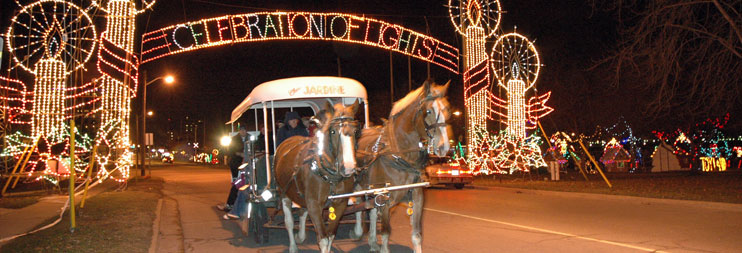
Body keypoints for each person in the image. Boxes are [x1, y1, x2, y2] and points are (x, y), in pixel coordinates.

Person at [216, 126, 248, 213]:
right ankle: (230, 203)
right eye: (241, 130)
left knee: (246, 183)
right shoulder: (234, 139)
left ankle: (240, 202)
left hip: (247, 165)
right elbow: (231, 151)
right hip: (236, 165)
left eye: (244, 130)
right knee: (237, 183)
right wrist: (239, 154)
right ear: (239, 131)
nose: (243, 132)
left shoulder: (249, 138)